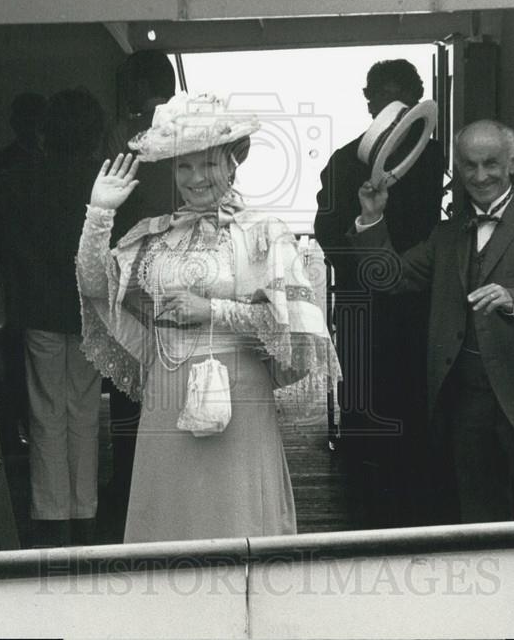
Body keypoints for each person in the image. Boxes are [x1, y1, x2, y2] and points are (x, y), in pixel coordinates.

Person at [76, 92, 341, 543]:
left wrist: (213, 309)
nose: (196, 178)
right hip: (167, 393)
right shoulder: (155, 235)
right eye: (184, 166)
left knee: (235, 518)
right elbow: (94, 287)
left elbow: (296, 326)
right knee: (169, 523)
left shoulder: (264, 234)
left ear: (233, 164)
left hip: (240, 394)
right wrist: (100, 212)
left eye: (209, 165)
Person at [352, 120, 514, 522]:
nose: (480, 176)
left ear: (512, 161)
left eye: (491, 163)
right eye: (470, 165)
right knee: (479, 521)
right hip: (466, 403)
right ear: (459, 168)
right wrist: (371, 218)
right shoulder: (447, 234)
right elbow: (390, 278)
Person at [313, 59, 444, 528]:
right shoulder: (354, 161)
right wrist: (370, 276)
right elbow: (327, 230)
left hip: (406, 305)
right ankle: (369, 506)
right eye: (382, 96)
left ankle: (388, 505)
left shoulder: (436, 161)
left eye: (395, 98)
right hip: (374, 306)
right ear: (368, 100)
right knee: (370, 405)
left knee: (406, 403)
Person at [11, 88, 106, 546]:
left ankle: (50, 516)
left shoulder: (25, 177)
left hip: (40, 309)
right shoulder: (100, 181)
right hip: (88, 313)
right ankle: (84, 511)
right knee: (84, 412)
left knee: (46, 413)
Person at [99, 50, 177, 515]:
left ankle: (130, 487)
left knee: (131, 388)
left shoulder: (119, 137)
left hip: (129, 274)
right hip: (181, 273)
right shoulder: (185, 132)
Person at [0, 92, 47, 452]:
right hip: (17, 278)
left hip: (14, 277)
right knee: (17, 367)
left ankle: (15, 433)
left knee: (19, 366)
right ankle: (13, 432)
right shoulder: (34, 167)